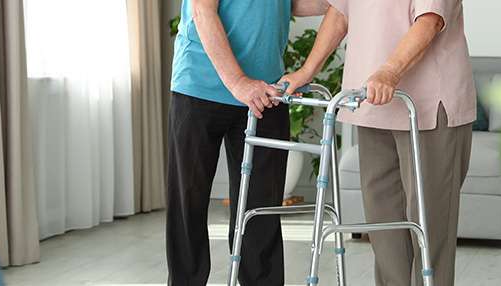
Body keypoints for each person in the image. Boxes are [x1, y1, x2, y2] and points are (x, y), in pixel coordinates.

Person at [281, 0, 475, 285]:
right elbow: (339, 13)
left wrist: (389, 72)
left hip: (427, 107)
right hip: (373, 106)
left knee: (429, 228)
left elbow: (430, 19)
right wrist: (306, 72)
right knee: (384, 227)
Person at [166, 0, 328, 285]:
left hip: (265, 93)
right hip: (200, 85)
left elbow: (290, 4)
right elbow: (203, 10)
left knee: (261, 209)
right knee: (188, 202)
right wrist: (238, 82)